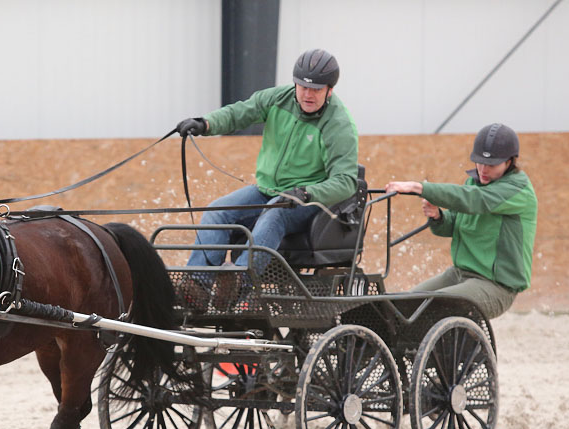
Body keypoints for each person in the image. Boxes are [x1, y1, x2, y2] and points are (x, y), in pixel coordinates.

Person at [175, 48, 359, 305]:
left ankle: (239, 283)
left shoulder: (338, 125)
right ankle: (195, 287)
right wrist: (206, 124)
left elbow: (346, 182)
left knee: (275, 213)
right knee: (218, 211)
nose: (308, 94)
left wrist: (307, 192)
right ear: (295, 83)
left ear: (330, 90)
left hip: (307, 202)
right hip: (267, 189)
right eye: (303, 87)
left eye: (316, 89)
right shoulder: (277, 98)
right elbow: (240, 112)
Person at [385, 123, 537, 319]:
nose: (483, 169)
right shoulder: (475, 183)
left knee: (433, 306)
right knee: (403, 306)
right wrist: (439, 217)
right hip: (460, 275)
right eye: (479, 162)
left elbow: (474, 200)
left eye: (491, 165)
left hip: (496, 286)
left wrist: (419, 187)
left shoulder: (517, 190)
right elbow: (455, 223)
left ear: (509, 162)